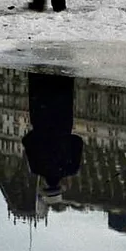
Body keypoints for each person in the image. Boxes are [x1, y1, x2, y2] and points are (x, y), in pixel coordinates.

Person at [22, 72, 83, 207]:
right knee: (41, 75)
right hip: (40, 116)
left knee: (62, 77)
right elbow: (27, 140)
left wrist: (64, 138)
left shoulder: (70, 168)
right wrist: (40, 135)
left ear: (60, 186)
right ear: (45, 185)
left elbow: (78, 142)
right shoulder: (36, 167)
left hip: (62, 119)